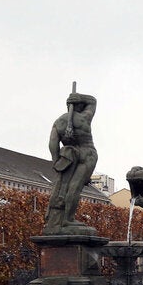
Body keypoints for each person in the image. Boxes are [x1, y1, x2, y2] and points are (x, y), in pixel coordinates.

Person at [44, 88, 98, 235]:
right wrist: (80, 97)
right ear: (79, 106)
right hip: (87, 154)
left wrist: (56, 162)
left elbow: (52, 144)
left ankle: (60, 219)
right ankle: (68, 219)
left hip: (69, 156)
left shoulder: (58, 122)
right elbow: (93, 101)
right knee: (75, 187)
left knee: (64, 186)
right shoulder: (84, 117)